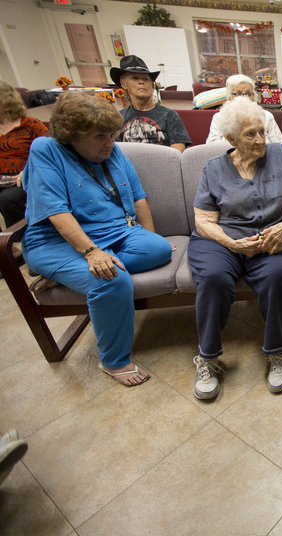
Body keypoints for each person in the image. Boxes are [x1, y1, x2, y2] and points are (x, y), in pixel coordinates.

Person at [22, 91, 173, 386]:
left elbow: (139, 198)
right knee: (113, 278)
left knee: (159, 248)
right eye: (99, 136)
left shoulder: (111, 150)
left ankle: (67, 275)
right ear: (72, 136)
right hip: (58, 242)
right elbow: (56, 211)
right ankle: (114, 360)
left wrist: (147, 236)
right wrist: (92, 253)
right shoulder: (47, 150)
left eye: (111, 134)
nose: (109, 142)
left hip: (115, 232)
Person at [188, 97, 282, 399]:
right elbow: (203, 220)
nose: (260, 139)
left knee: (278, 275)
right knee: (213, 279)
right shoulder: (213, 169)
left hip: (270, 238)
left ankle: (278, 353)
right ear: (231, 139)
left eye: (262, 131)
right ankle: (208, 357)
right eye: (250, 135)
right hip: (220, 241)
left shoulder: (280, 155)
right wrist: (232, 243)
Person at [111, 55, 191, 152]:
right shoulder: (118, 118)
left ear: (152, 85)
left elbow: (177, 154)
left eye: (145, 79)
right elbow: (116, 153)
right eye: (135, 78)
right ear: (124, 84)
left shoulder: (170, 116)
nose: (141, 82)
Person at [0, 81, 49, 231]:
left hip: (25, 175)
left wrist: (28, 170)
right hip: (2, 178)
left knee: (7, 199)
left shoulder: (30, 124)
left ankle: (19, 236)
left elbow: (48, 151)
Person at [206, 74, 282, 148]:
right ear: (229, 97)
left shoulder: (266, 116)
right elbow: (210, 147)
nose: (244, 97)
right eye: (238, 94)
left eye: (248, 94)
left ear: (254, 96)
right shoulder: (219, 118)